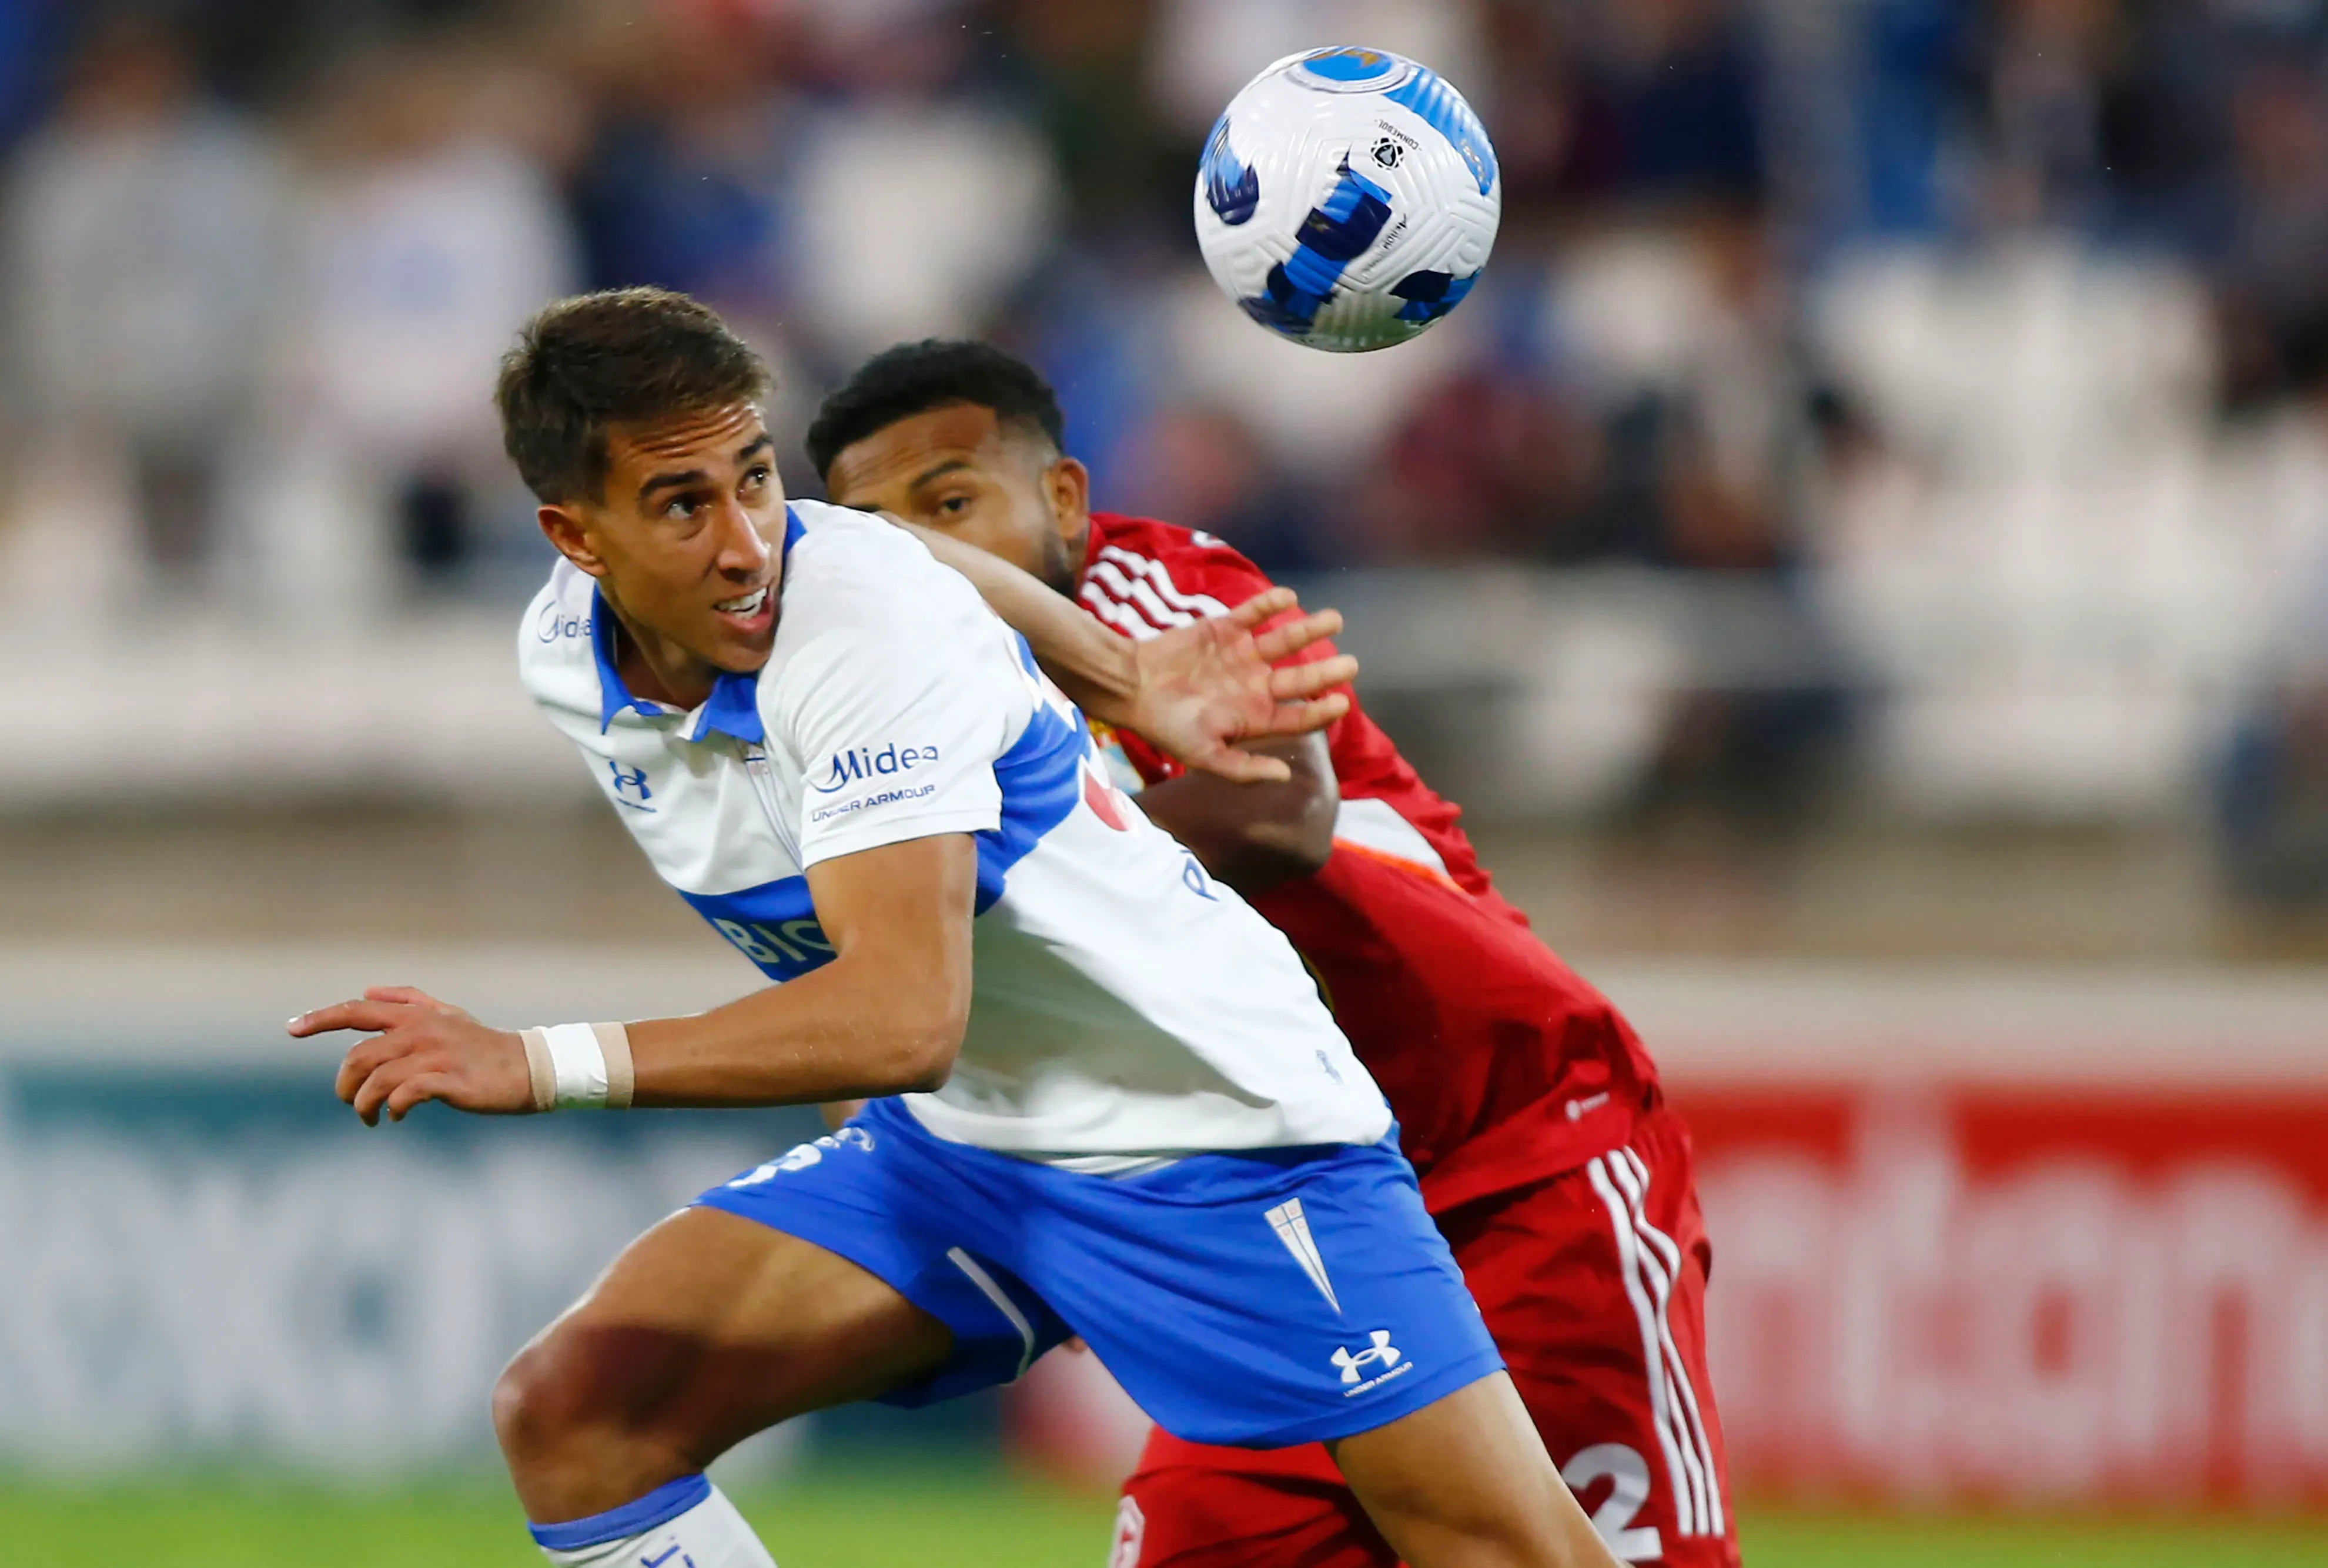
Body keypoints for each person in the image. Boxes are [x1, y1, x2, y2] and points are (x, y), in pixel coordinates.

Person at [289, 288, 1623, 1568]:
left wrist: (537, 1061)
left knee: (1507, 1552)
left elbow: (900, 1020)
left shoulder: (859, 645)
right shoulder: (561, 653)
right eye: (680, 503)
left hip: (1213, 1134)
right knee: (576, 1414)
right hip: (968, 1148)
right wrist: (1118, 675)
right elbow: (895, 546)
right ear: (575, 540)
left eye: (755, 478)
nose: (748, 543)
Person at [811, 339, 1740, 1568]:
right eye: (883, 534)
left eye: (948, 505)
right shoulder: (885, 728)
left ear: (1063, 502)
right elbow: (906, 1012)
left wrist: (976, 890)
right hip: (1288, 1238)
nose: (925, 557)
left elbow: (1272, 811)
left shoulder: (1144, 592)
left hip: (1515, 1161)